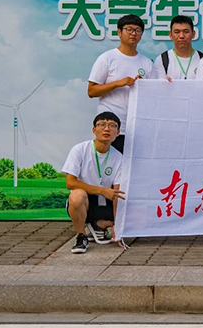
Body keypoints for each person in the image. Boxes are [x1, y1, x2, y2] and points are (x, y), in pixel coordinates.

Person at [87, 14, 155, 153]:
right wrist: (118, 83)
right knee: (109, 164)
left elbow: (155, 95)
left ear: (141, 35)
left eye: (137, 30)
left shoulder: (147, 63)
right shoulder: (107, 58)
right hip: (110, 127)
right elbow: (91, 91)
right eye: (129, 29)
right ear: (119, 32)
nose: (133, 33)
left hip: (137, 127)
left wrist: (144, 87)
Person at [63, 112, 126, 254]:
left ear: (118, 133)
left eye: (112, 126)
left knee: (138, 216)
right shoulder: (80, 150)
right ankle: (81, 236)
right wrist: (101, 190)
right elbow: (70, 183)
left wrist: (118, 226)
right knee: (77, 195)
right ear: (94, 130)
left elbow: (117, 193)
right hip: (86, 203)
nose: (107, 129)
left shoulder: (119, 158)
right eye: (102, 125)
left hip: (106, 201)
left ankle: (100, 225)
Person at [154, 15, 203, 81]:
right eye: (177, 32)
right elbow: (158, 85)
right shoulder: (162, 60)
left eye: (186, 32)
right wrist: (165, 84)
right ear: (170, 35)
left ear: (193, 34)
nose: (181, 36)